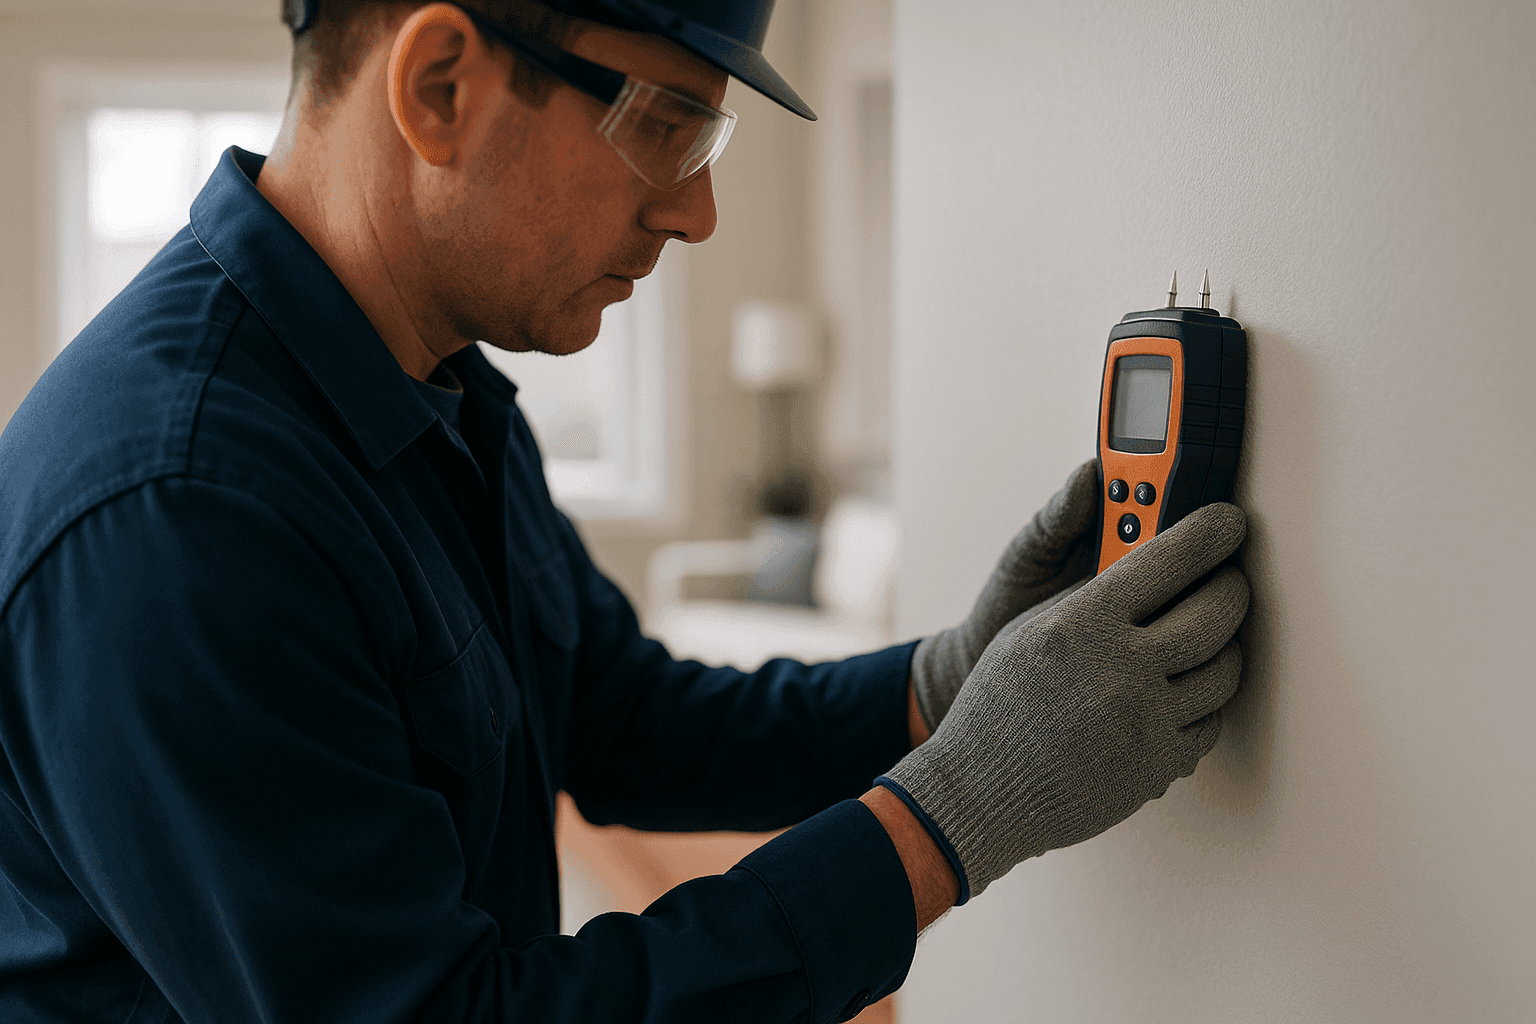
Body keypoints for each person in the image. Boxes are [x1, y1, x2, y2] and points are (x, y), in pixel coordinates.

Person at [0, 0, 1251, 1020]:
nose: (695, 214)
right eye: (666, 126)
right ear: (439, 84)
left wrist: (946, 677)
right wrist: (955, 814)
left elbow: (617, 714)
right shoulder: (181, 509)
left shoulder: (439, 387)